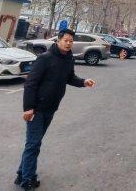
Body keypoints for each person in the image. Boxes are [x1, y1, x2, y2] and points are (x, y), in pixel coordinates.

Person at [15, 29, 96, 190]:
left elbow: (70, 77)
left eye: (71, 41)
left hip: (51, 108)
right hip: (36, 108)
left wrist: (83, 82)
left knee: (34, 143)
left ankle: (21, 174)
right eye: (65, 40)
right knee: (33, 144)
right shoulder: (45, 58)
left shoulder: (69, 58)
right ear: (58, 40)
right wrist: (28, 108)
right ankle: (28, 180)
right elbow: (30, 83)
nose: (68, 43)